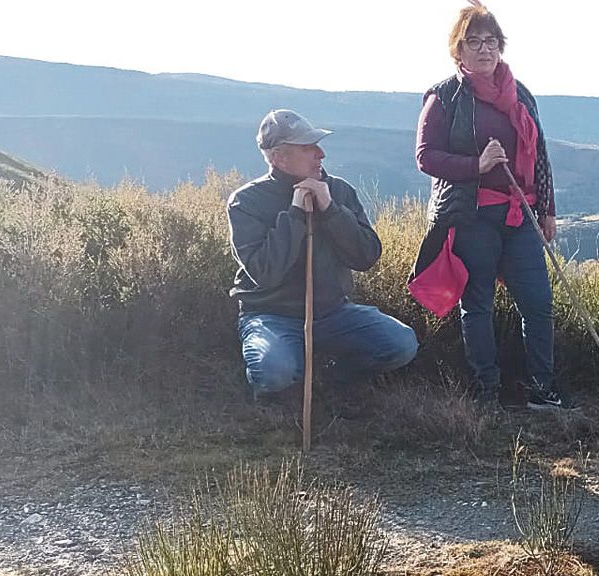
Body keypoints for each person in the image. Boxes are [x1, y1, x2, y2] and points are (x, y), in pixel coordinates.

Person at [414, 2, 572, 410]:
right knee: (478, 304)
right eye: (473, 42)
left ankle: (542, 389)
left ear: (501, 47)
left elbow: (539, 155)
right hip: (472, 217)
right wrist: (477, 165)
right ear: (458, 50)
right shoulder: (444, 96)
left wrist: (548, 208)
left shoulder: (520, 94)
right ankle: (487, 390)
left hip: (521, 215)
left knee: (538, 303)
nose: (484, 50)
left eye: (491, 41)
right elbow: (426, 157)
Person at [228, 109, 418, 403]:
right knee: (274, 370)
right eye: (308, 147)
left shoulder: (339, 191)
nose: (321, 154)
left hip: (333, 312)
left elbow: (366, 256)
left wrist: (329, 209)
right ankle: (278, 397)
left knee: (401, 344)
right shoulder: (247, 201)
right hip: (271, 315)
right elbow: (265, 273)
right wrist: (294, 213)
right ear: (279, 158)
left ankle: (334, 380)